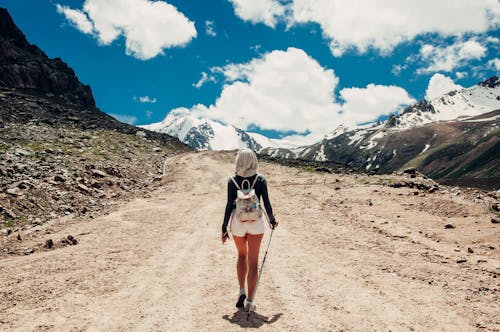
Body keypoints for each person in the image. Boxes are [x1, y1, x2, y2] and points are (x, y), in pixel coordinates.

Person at [221, 148, 277, 313]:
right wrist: (272, 220)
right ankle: (250, 302)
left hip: (238, 223)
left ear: (238, 161)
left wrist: (224, 228)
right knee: (253, 262)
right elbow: (266, 203)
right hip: (256, 224)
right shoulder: (260, 180)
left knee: (241, 256)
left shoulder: (232, 181)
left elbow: (228, 206)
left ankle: (241, 291)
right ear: (254, 161)